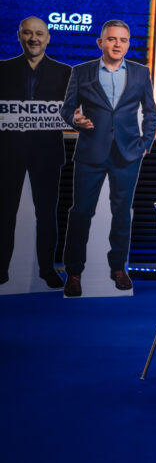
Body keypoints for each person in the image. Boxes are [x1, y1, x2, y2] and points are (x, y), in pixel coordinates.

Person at [60, 20, 156, 297]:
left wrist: (145, 144)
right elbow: (67, 109)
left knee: (122, 212)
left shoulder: (141, 72)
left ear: (128, 44)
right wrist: (74, 120)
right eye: (112, 39)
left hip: (128, 154)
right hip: (91, 152)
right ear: (100, 42)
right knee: (81, 212)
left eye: (123, 40)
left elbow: (150, 112)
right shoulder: (81, 72)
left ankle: (118, 268)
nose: (118, 44)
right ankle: (74, 273)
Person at [0, 17, 71, 288]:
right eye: (28, 33)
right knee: (4, 213)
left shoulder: (65, 72)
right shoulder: (2, 70)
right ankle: (1, 270)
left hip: (47, 153)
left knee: (47, 214)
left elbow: (74, 110)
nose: (34, 39)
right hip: (8, 152)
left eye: (39, 34)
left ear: (48, 38)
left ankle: (47, 270)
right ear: (19, 36)